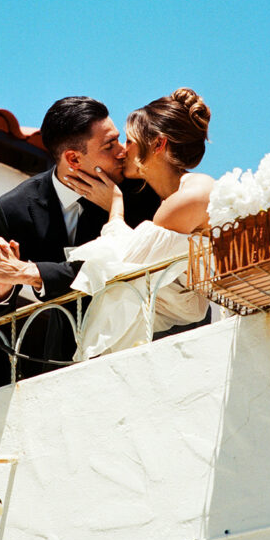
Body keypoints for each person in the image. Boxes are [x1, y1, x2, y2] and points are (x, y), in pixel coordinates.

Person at [0, 96, 159, 369]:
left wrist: (29, 272)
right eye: (109, 146)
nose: (123, 151)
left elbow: (119, 269)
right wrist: (1, 284)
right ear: (73, 158)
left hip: (144, 344)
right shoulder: (15, 208)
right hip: (63, 363)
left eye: (118, 139)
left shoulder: (141, 192)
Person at [63, 88, 214, 359]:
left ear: (158, 145)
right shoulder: (170, 200)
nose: (123, 151)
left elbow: (123, 271)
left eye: (130, 141)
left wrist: (115, 207)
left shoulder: (187, 198)